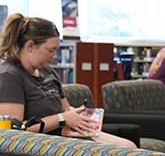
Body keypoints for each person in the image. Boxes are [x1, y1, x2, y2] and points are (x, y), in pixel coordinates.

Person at [0, 13, 135, 148]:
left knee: (130, 147)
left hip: (64, 135)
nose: (54, 56)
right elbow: (13, 134)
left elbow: (65, 109)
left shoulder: (47, 71)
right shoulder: (10, 76)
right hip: (41, 145)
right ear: (30, 46)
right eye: (51, 50)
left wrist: (74, 114)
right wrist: (62, 119)